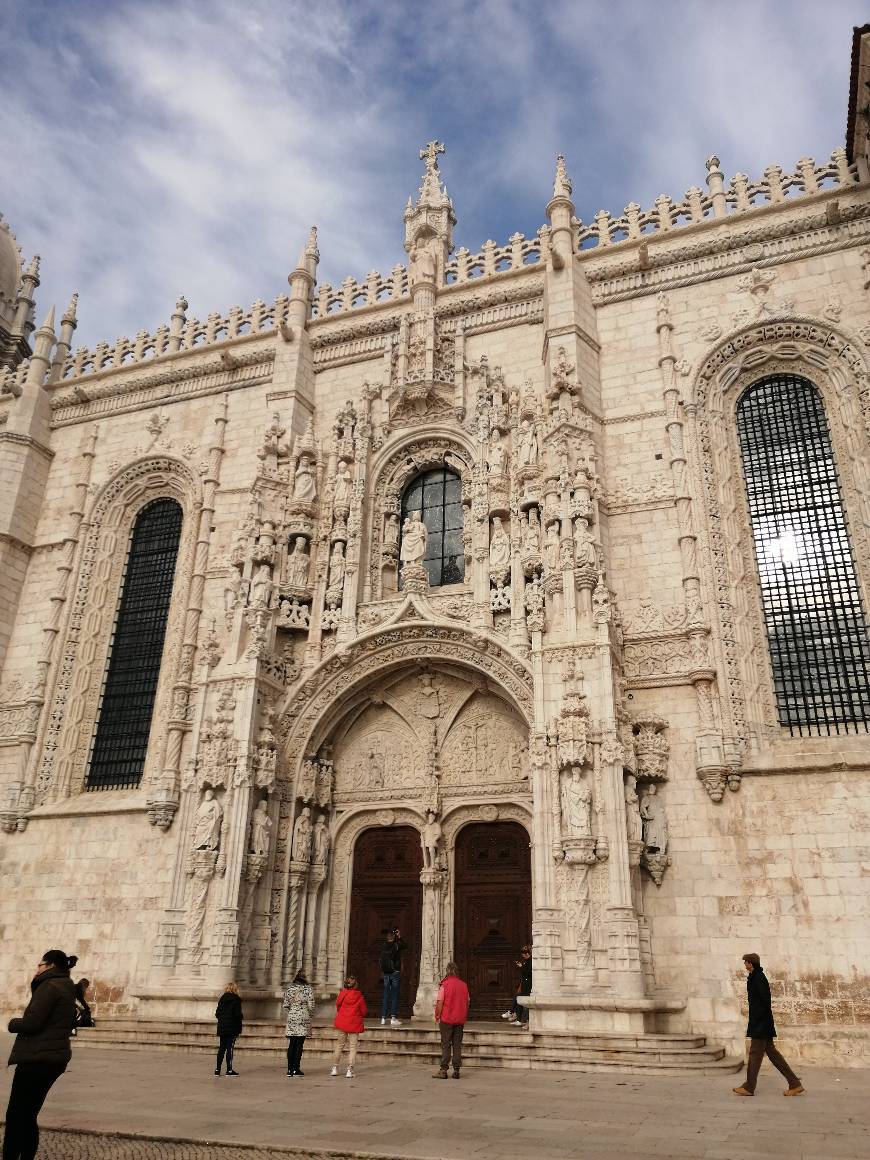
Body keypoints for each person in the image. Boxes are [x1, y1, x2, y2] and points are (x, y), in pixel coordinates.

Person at [4, 948, 77, 1160]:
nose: (37, 969)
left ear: (50, 965)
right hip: (52, 1057)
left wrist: (13, 1023)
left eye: (40, 965)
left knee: (17, 1114)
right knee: (28, 1114)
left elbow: (33, 1023)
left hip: (37, 1057)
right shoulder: (65, 985)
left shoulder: (50, 986)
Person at [733, 953, 803, 1098]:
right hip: (761, 1023)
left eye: (746, 963)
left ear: (751, 964)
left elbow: (765, 1001)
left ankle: (749, 1087)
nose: (744, 965)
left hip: (761, 1025)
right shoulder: (754, 977)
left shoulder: (758, 978)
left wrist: (758, 1021)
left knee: (754, 1055)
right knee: (773, 1055)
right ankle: (795, 1083)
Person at [433, 962, 470, 1080]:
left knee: (446, 1043)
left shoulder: (445, 985)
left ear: (447, 971)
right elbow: (467, 1001)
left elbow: (440, 1002)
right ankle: (456, 1070)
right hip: (459, 1019)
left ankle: (443, 1070)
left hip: (446, 1019)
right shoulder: (464, 985)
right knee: (457, 1044)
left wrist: (437, 1015)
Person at [331, 973, 367, 1079]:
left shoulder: (343, 993)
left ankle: (335, 1068)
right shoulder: (359, 996)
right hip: (354, 1024)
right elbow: (364, 1011)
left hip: (342, 1022)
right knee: (353, 1047)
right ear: (356, 985)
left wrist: (342, 1013)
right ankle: (349, 1070)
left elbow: (337, 1005)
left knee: (339, 1045)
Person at [283, 969, 315, 1077]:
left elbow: (285, 1005)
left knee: (292, 1043)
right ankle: (296, 1069)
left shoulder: (290, 988)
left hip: (292, 1017)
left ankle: (289, 1070)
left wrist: (292, 1012)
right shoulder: (308, 989)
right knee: (299, 1044)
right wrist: (308, 1014)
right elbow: (311, 1006)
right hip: (303, 1017)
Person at [379, 928, 407, 1026]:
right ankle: (393, 1018)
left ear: (387, 937)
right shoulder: (396, 945)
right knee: (394, 995)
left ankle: (383, 1018)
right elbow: (405, 945)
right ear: (394, 936)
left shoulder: (384, 945)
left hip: (386, 973)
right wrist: (399, 936)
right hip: (395, 973)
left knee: (386, 995)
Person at [214, 982, 242, 1076]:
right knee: (229, 1048)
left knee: (221, 1048)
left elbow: (217, 1014)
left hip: (222, 1027)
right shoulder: (236, 999)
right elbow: (237, 1014)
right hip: (232, 1028)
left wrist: (223, 1020)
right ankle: (229, 1070)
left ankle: (217, 1070)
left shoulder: (222, 999)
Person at [501, 945, 532, 1027]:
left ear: (528, 954)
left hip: (528, 986)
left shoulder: (531, 961)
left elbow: (529, 973)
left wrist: (521, 967)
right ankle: (517, 1019)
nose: (523, 955)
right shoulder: (526, 961)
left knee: (521, 1001)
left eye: (524, 954)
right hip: (524, 984)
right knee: (519, 1000)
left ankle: (512, 1013)